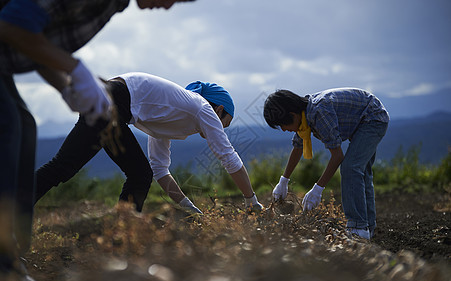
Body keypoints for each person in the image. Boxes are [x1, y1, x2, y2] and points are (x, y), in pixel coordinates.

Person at [0, 0, 195, 277]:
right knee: (11, 127)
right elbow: (11, 25)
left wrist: (67, 86)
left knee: (24, 126)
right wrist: (76, 69)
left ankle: (10, 259)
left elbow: (36, 44)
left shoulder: (113, 5)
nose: (167, 7)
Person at [35, 72, 264, 216]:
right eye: (226, 122)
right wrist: (252, 201)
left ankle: (122, 231)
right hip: (113, 102)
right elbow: (228, 156)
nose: (221, 128)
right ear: (219, 110)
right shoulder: (203, 108)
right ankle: (12, 202)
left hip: (112, 102)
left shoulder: (169, 112)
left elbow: (159, 170)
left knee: (139, 173)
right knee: (62, 167)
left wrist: (188, 208)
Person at [264, 88, 389, 240]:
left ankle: (358, 228)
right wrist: (283, 181)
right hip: (363, 118)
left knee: (351, 168)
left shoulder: (319, 112)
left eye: (282, 125)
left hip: (372, 117)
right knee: (361, 174)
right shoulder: (303, 119)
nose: (283, 130)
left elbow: (337, 156)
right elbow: (297, 147)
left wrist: (318, 189)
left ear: (292, 115)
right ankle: (367, 228)